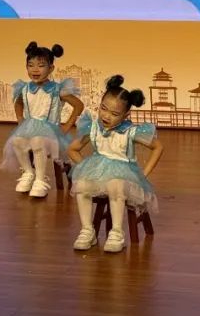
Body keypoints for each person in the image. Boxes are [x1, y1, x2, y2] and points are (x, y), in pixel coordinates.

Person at [68, 75, 162, 253]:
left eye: (114, 114)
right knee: (82, 184)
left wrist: (144, 174)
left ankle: (117, 232)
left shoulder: (130, 131)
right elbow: (73, 149)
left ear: (126, 115)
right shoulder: (93, 127)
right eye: (103, 109)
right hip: (99, 175)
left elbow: (158, 147)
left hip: (124, 177)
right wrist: (87, 169)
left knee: (115, 185)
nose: (106, 116)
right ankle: (87, 230)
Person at [1, 42, 84, 197]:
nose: (35, 69)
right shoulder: (24, 88)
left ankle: (40, 179)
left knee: (37, 141)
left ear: (51, 68)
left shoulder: (58, 90)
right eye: (30, 65)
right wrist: (20, 119)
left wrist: (67, 126)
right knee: (17, 140)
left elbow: (78, 105)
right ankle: (28, 172)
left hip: (51, 132)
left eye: (41, 66)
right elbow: (18, 102)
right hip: (29, 128)